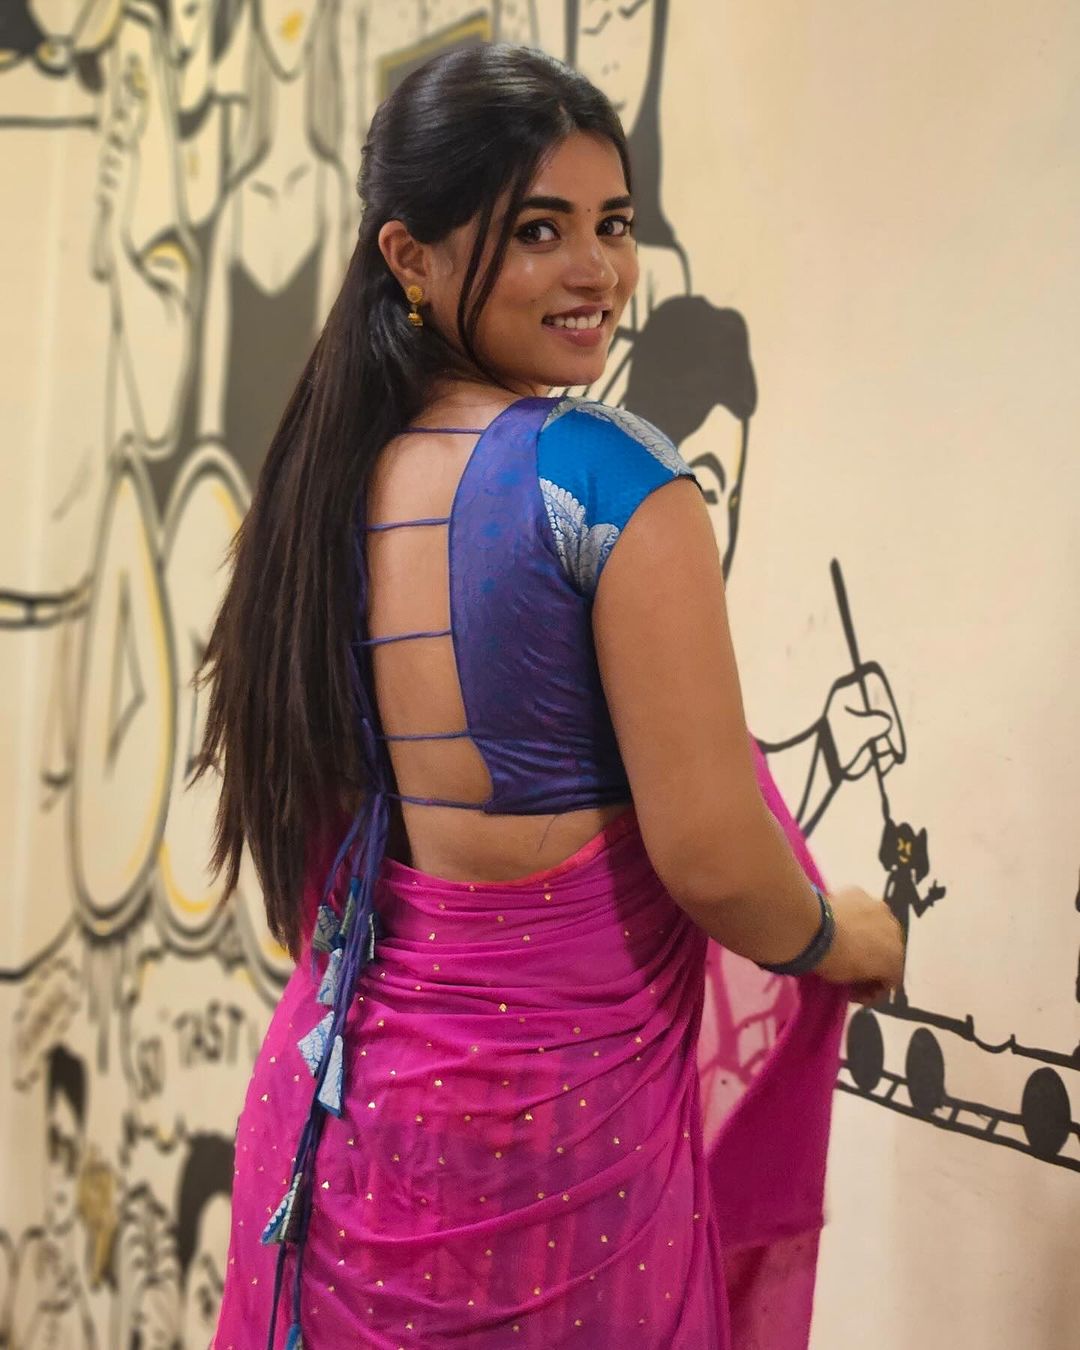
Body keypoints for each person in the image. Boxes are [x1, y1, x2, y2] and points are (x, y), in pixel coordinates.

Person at [200, 43, 904, 1349]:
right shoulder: (603, 479)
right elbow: (712, 855)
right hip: (546, 1164)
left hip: (334, 1134)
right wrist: (837, 935)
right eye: (539, 231)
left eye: (613, 225)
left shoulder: (319, 489)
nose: (597, 272)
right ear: (409, 256)